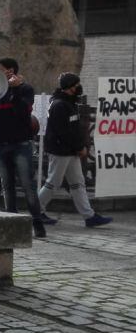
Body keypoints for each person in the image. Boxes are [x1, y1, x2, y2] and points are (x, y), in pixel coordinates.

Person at [0, 58, 47, 238]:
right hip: (0, 144)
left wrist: (16, 89)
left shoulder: (25, 89)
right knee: (7, 186)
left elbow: (23, 112)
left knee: (28, 185)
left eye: (0, 71)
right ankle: (11, 225)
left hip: (21, 144)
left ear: (10, 71)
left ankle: (37, 223)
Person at [38, 72, 111, 228]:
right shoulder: (59, 105)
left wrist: (78, 147)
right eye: (76, 85)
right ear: (69, 87)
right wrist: (79, 147)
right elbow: (63, 132)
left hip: (70, 151)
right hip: (60, 151)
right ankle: (36, 212)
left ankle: (89, 216)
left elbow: (73, 129)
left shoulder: (69, 103)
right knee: (53, 182)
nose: (79, 87)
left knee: (78, 183)